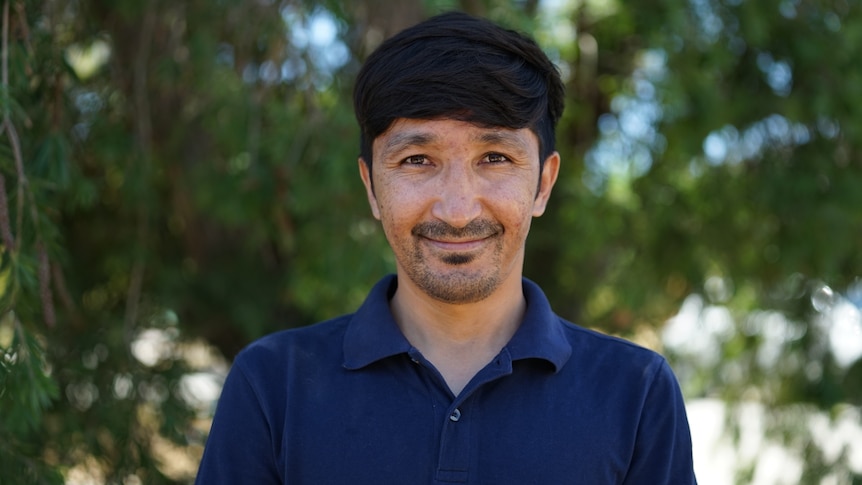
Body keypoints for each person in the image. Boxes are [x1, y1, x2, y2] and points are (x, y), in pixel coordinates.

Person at [196, 11, 697, 485]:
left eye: (495, 157)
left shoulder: (636, 393)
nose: (457, 211)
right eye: (417, 160)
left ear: (543, 184)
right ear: (371, 187)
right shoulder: (272, 386)